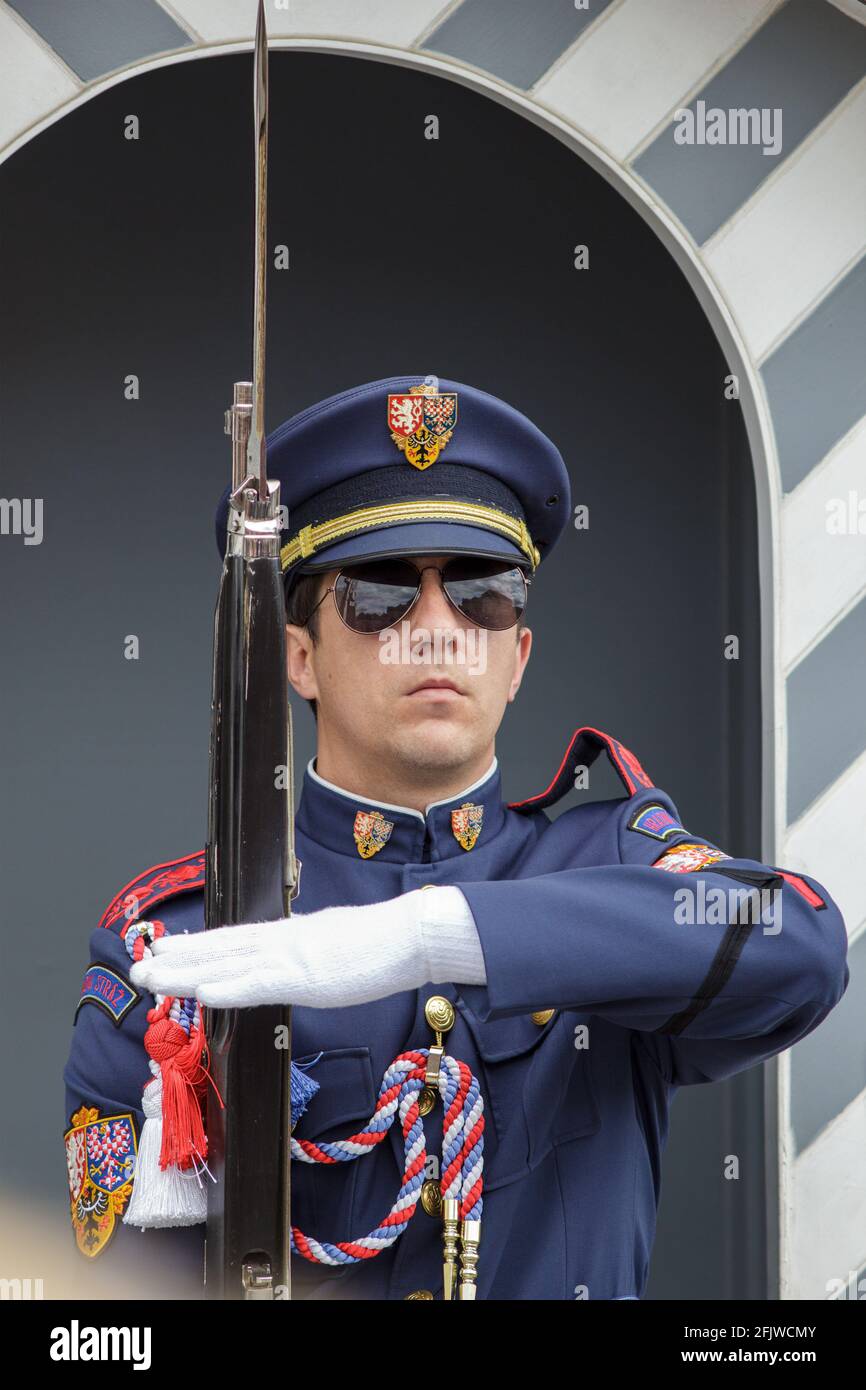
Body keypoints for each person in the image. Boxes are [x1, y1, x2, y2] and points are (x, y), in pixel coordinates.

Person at [63, 375, 849, 1300]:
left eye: (483, 596)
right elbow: (124, 1313)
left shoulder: (614, 859)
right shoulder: (180, 944)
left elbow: (801, 943)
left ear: (516, 659)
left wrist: (439, 936)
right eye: (378, 594)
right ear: (299, 655)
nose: (435, 630)